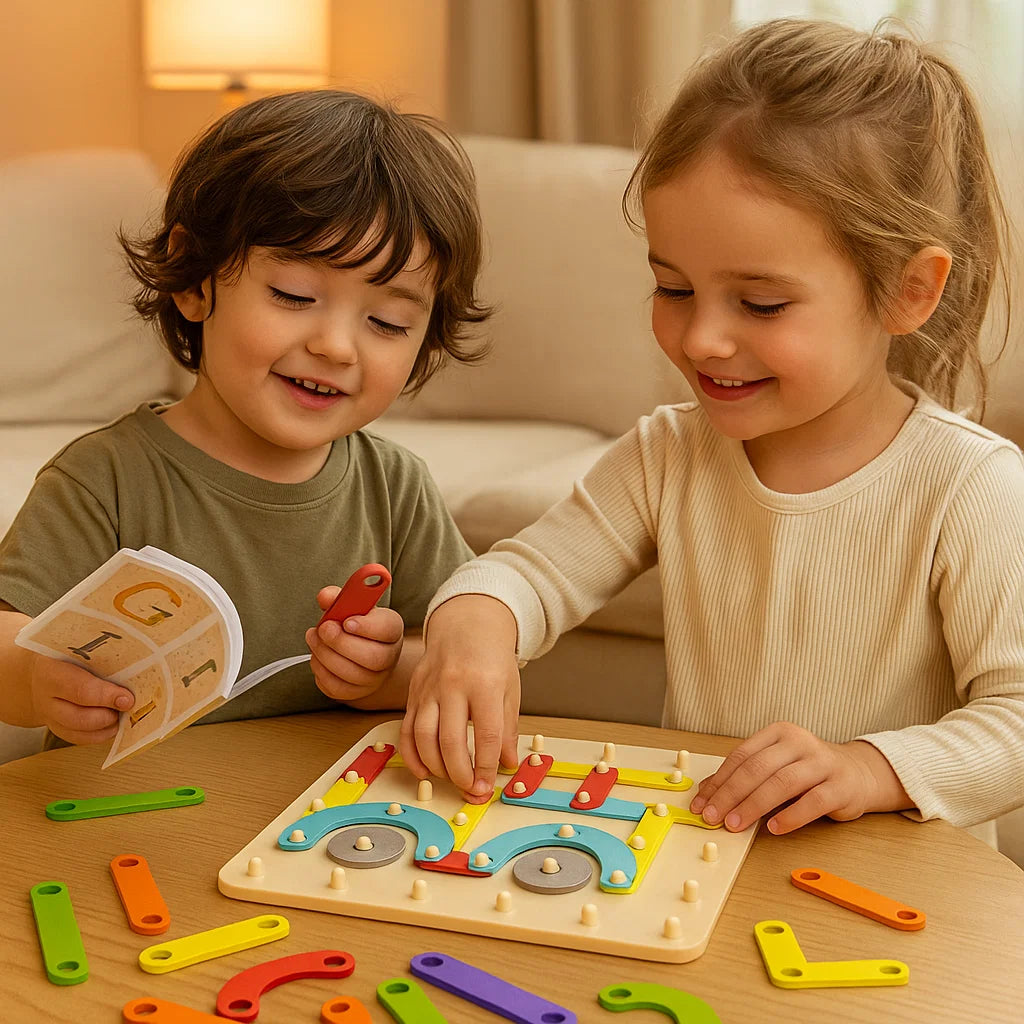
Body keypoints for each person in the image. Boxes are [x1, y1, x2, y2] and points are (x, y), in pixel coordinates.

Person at [401, 18, 1024, 839]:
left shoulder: (970, 485)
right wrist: (473, 619)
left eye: (761, 303)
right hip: (705, 862)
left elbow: (1014, 721)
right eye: (673, 287)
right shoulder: (670, 453)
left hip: (896, 901)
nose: (700, 340)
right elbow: (531, 571)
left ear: (909, 290)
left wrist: (867, 768)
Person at [0, 90, 488, 746]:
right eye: (293, 294)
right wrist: (35, 677)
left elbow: (470, 651)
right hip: (127, 825)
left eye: (387, 322)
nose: (337, 347)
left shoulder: (395, 487)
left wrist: (390, 669)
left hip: (311, 828)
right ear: (197, 281)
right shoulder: (105, 477)